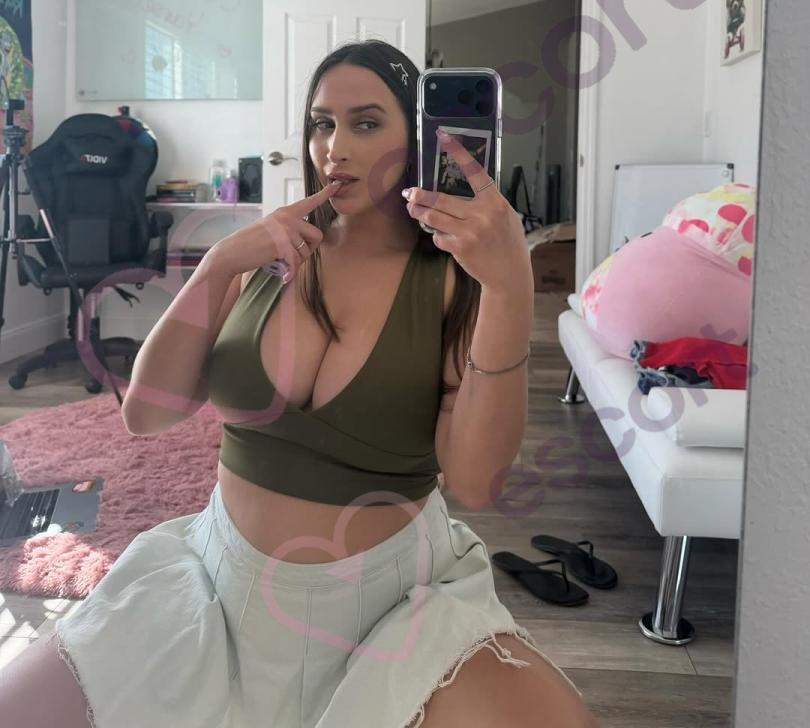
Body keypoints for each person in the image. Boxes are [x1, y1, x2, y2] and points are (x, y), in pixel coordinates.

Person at [0, 40, 599, 727]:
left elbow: (474, 482)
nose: (334, 147)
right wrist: (218, 266)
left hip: (389, 606)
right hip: (216, 587)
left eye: (366, 123)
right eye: (321, 123)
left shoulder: (455, 279)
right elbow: (147, 414)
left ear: (419, 138)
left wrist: (511, 287)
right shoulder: (270, 254)